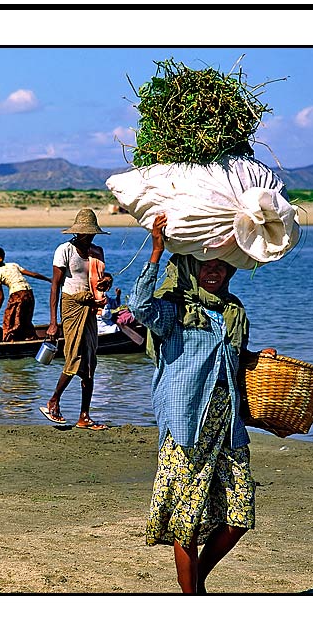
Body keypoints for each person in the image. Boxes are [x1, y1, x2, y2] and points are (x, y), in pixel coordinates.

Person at [129, 213, 276, 594]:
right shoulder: (172, 311)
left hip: (227, 429)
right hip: (186, 427)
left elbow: (230, 361)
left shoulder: (232, 312)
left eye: (221, 265)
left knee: (240, 514)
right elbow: (138, 306)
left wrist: (259, 358)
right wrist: (157, 250)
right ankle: (193, 597)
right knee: (187, 519)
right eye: (205, 264)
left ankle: (199, 581)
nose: (214, 272)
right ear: (191, 267)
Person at [39, 208, 110, 430]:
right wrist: (53, 322)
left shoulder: (97, 251)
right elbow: (55, 287)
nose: (88, 237)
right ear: (77, 233)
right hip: (71, 306)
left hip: (90, 306)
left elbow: (99, 278)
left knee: (90, 360)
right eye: (85, 234)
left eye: (91, 234)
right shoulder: (65, 250)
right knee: (74, 356)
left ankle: (84, 416)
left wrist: (107, 280)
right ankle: (53, 400)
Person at [0, 246, 51, 341]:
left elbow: (1, 296)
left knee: (9, 321)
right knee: (25, 320)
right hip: (29, 293)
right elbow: (33, 274)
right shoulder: (13, 265)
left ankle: (10, 342)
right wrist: (49, 279)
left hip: (17, 294)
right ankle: (30, 338)